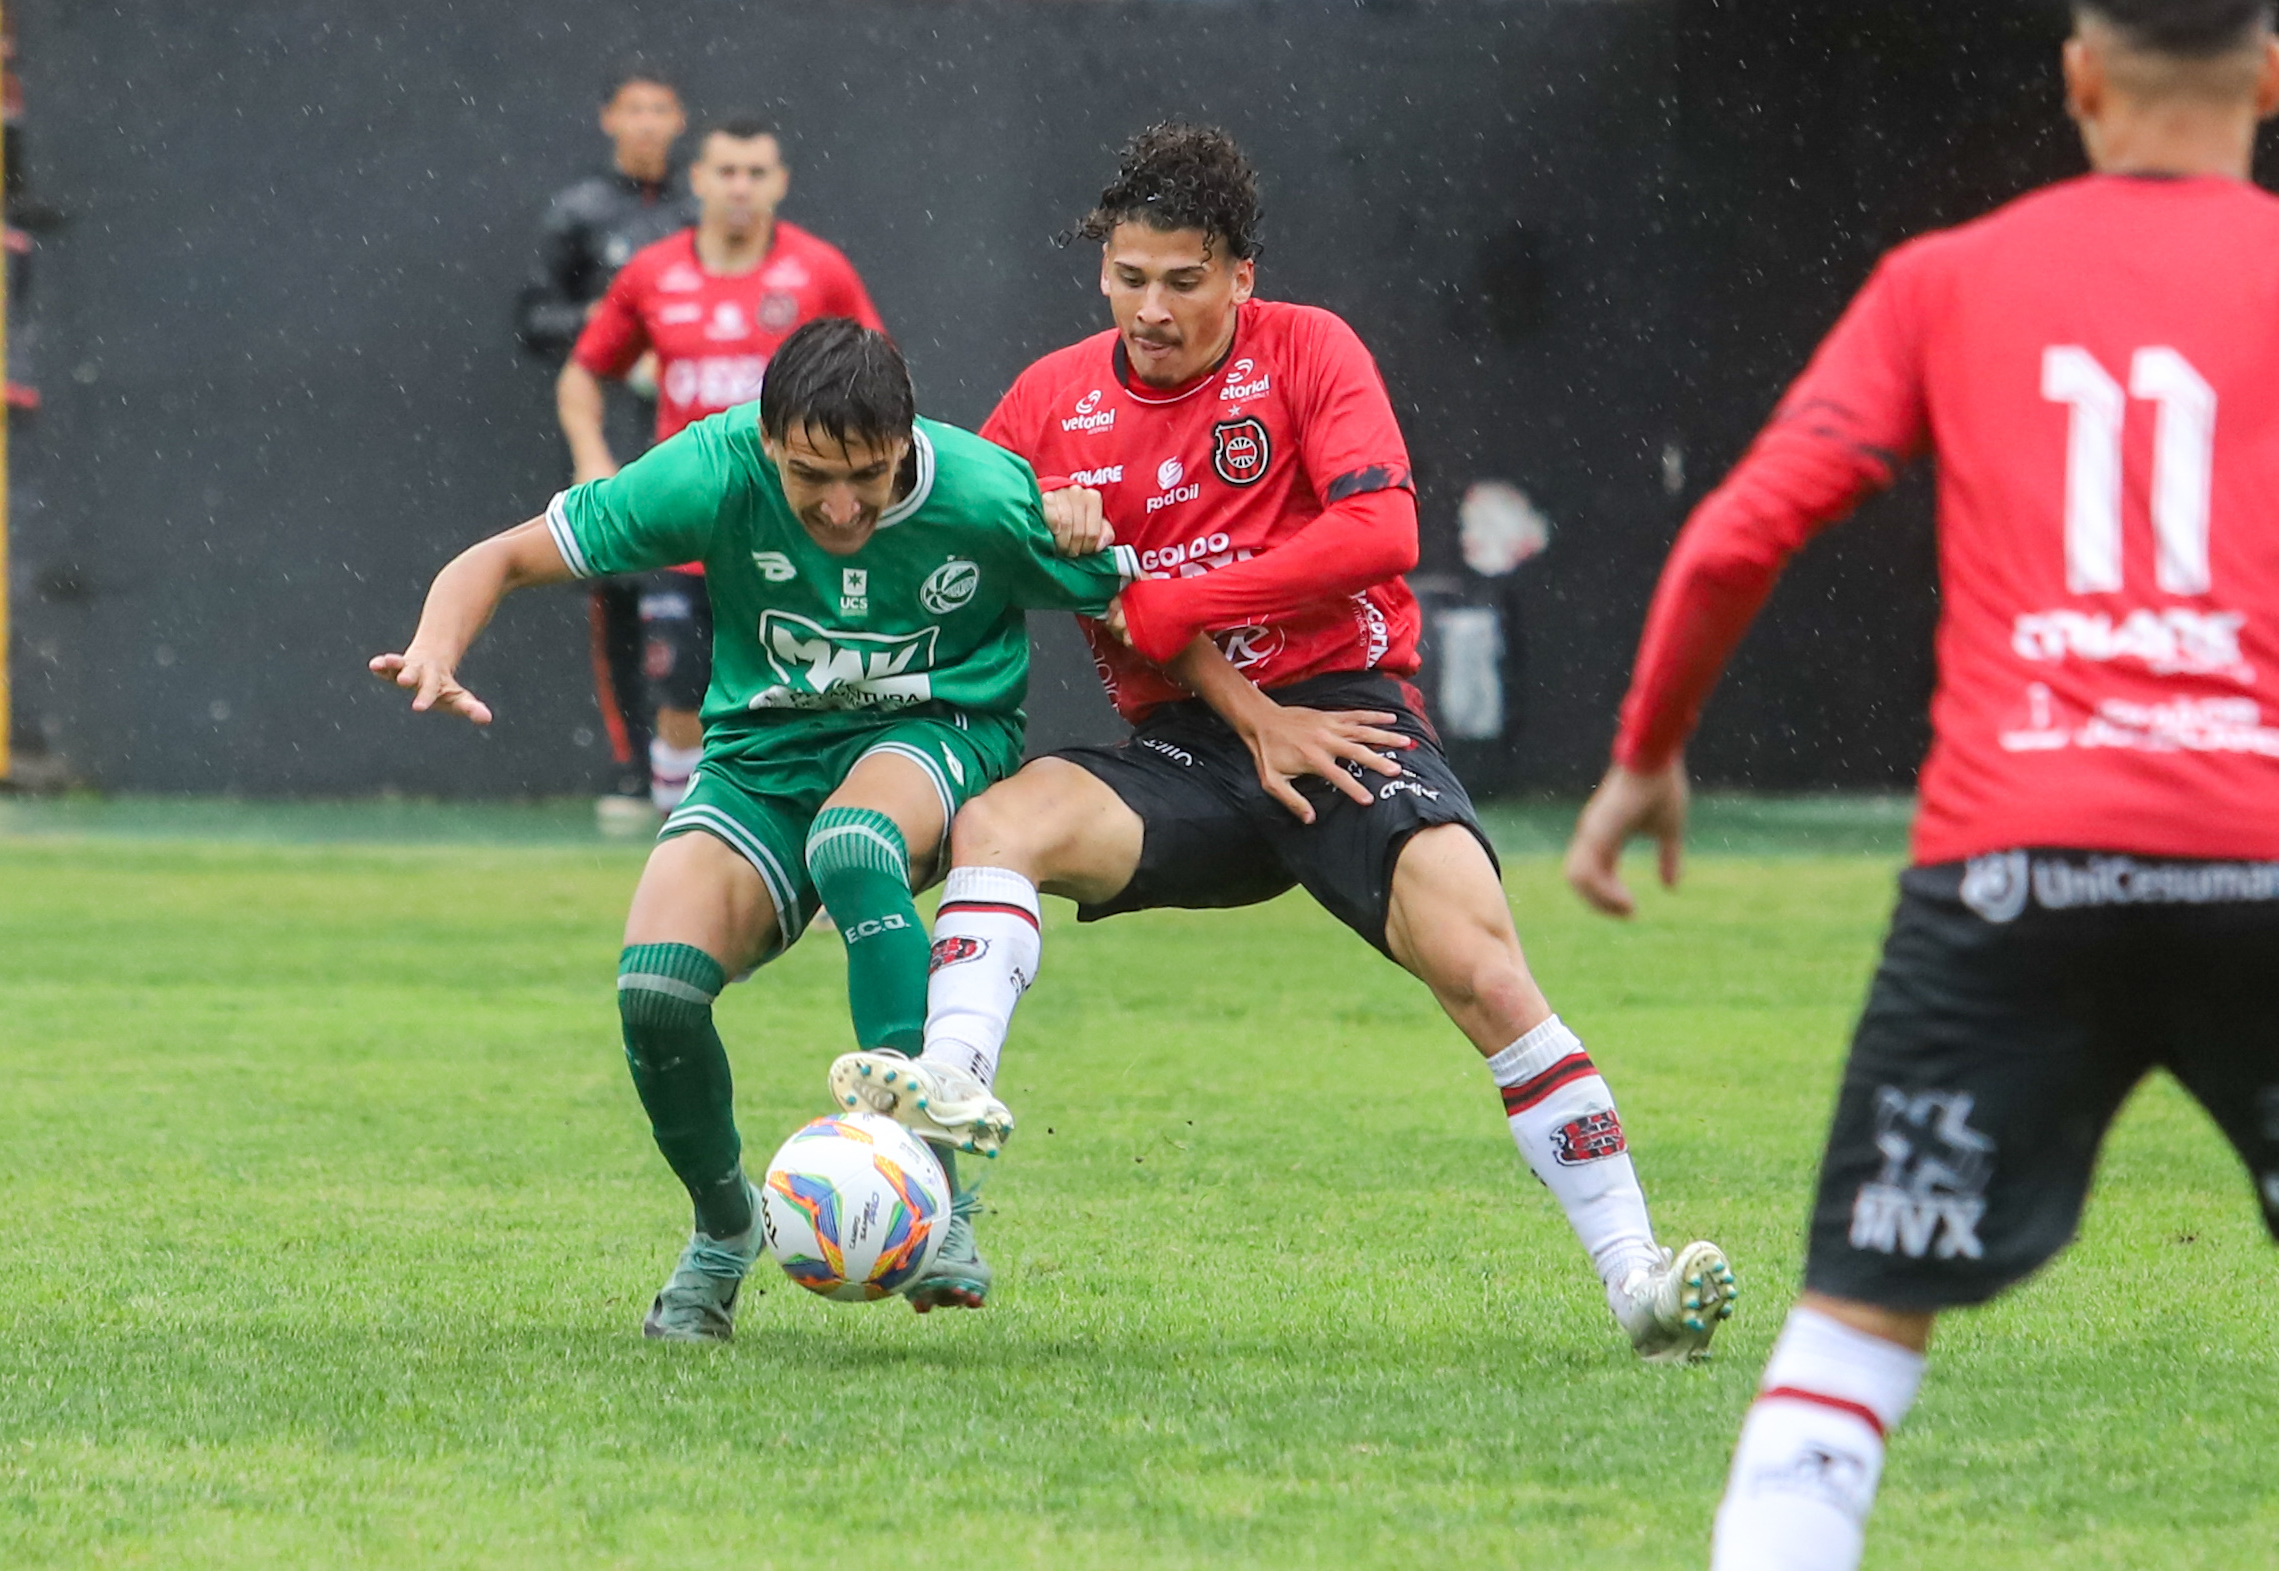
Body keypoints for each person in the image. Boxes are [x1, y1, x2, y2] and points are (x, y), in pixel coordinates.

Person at [829, 124, 1736, 1358]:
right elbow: (958, 527)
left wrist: (1183, 601)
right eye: (1129, 277)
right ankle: (949, 1086)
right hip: (1184, 750)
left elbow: (1381, 535)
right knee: (1009, 820)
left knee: (1482, 967)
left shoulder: (1309, 349)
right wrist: (1044, 512)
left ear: (1240, 277)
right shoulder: (1048, 401)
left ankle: (1638, 1280)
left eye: (1183, 281)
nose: (1152, 308)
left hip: (1345, 718)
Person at [1562, 4, 2279, 1564]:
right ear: (2271, 78)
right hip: (2263, 854)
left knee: (1860, 1324)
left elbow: (1738, 535)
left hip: (2010, 871)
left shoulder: (1947, 280)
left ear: (2079, 74)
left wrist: (1643, 753)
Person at [372, 320, 1172, 1339]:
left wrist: (1090, 532)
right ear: (764, 442)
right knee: (653, 992)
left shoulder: (980, 493)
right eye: (809, 477)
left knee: (853, 842)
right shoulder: (710, 469)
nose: (840, 507)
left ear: (907, 444)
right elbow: (501, 556)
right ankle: (722, 1229)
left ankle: (938, 1190)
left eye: (869, 478)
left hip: (936, 733)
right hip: (760, 761)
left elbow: (1148, 603)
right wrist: (435, 648)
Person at [559, 115, 884, 819]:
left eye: (756, 172)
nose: (740, 187)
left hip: (797, 528)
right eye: (727, 171)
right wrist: (592, 458)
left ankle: (821, 857)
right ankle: (681, 846)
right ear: (698, 179)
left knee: (815, 696)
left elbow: (877, 378)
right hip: (692, 528)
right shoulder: (651, 273)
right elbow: (583, 373)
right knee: (681, 700)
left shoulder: (819, 271)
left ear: (780, 183)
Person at [515, 66, 697, 825]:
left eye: (662, 107)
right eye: (635, 109)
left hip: (690, 441)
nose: (649, 122)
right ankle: (631, 771)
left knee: (706, 600)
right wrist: (614, 329)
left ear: (680, 119)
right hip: (612, 439)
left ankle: (702, 768)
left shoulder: (699, 211)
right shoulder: (579, 212)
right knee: (618, 599)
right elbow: (533, 322)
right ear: (609, 120)